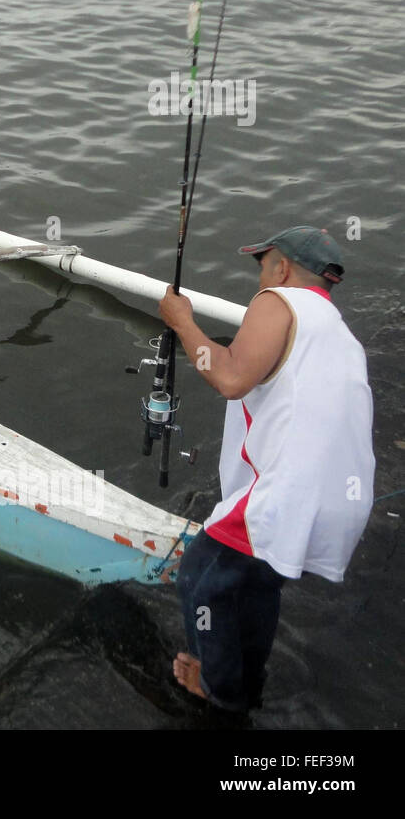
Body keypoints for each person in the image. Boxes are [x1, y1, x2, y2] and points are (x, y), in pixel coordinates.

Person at [158, 225, 375, 713]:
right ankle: (245, 682)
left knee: (200, 575)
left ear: (281, 267)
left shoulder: (278, 300)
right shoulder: (341, 337)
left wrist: (182, 322)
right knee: (257, 581)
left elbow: (231, 376)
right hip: (336, 500)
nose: (259, 280)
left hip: (283, 493)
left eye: (262, 267)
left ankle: (216, 689)